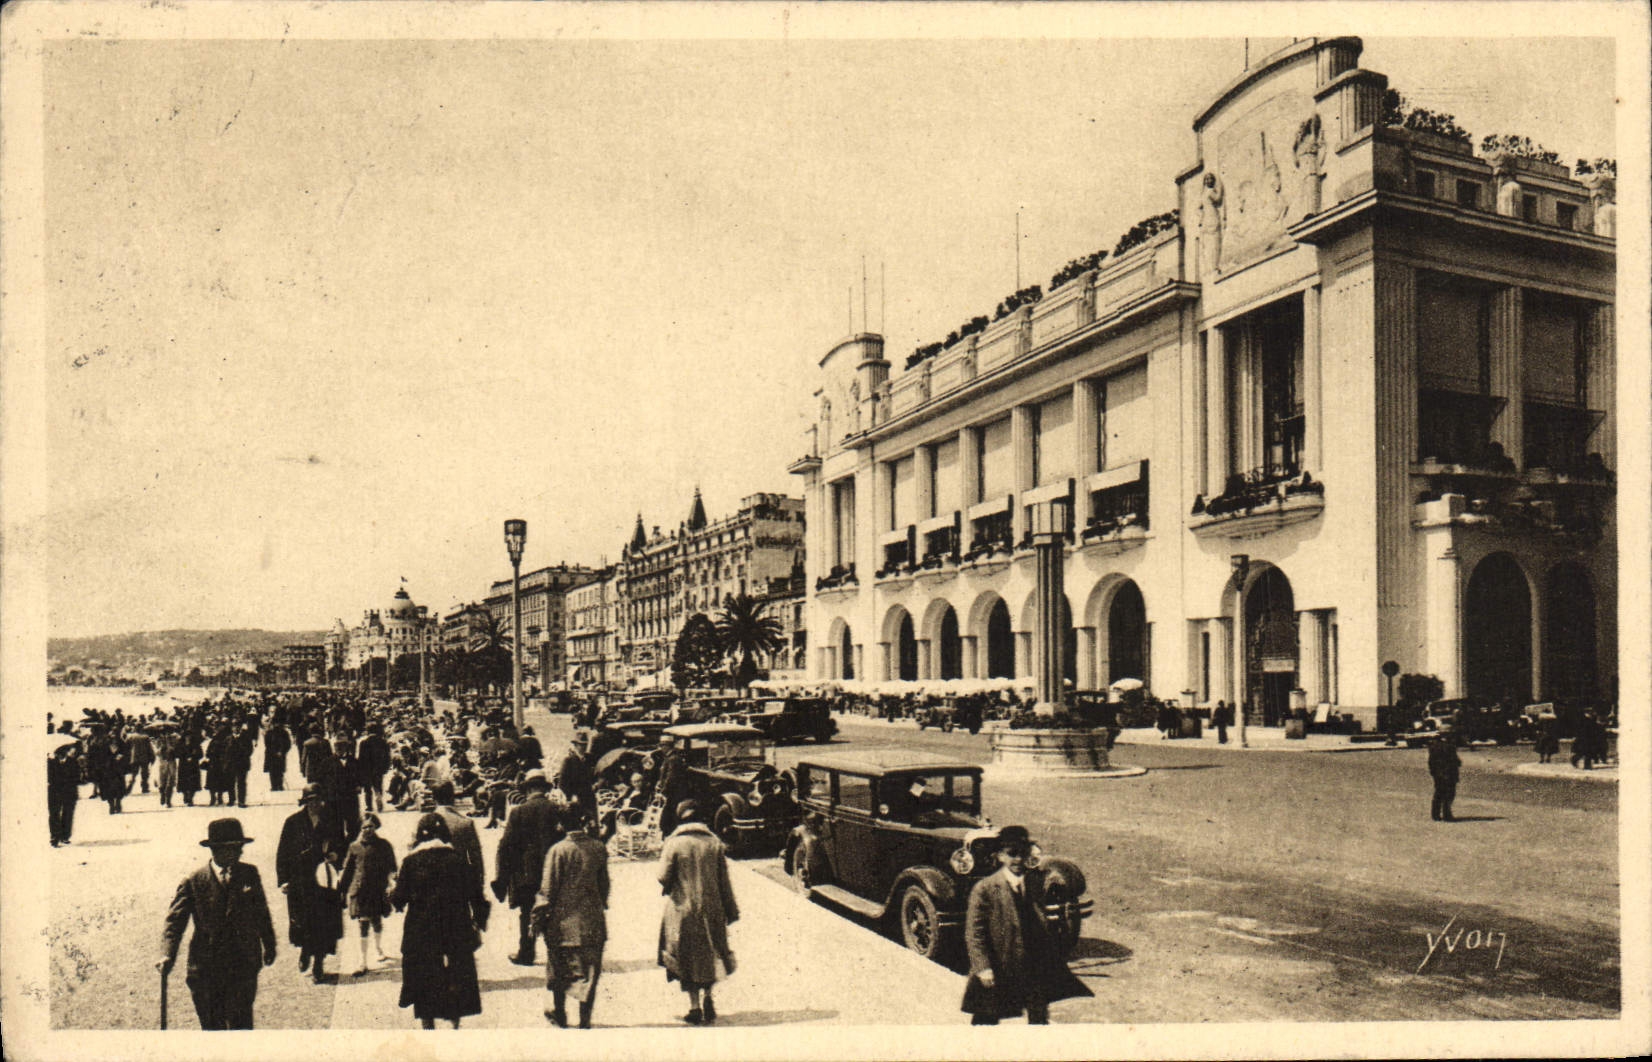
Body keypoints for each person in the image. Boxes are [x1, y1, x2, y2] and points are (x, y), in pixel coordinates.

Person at [960, 825, 1091, 1025]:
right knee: (986, 1018)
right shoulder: (985, 888)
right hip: (1000, 964)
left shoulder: (1034, 883)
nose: (1018, 860)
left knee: (1038, 1017)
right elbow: (974, 933)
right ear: (1000, 856)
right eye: (1012, 854)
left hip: (1033, 965)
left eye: (1022, 853)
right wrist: (983, 968)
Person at [157, 818, 278, 1030]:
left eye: (240, 847)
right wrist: (167, 953)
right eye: (235, 848)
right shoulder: (194, 881)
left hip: (243, 966)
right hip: (206, 969)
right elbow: (175, 922)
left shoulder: (249, 874)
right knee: (213, 1029)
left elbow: (261, 912)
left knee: (241, 1027)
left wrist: (269, 945)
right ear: (217, 850)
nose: (240, 853)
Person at [389, 813, 484, 1029]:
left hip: (421, 933)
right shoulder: (458, 860)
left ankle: (428, 1026)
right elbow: (477, 896)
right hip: (456, 930)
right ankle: (454, 1024)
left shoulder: (411, 861)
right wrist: (478, 921)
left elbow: (398, 899)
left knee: (424, 979)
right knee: (456, 976)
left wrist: (392, 894)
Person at [657, 799, 739, 1025]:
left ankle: (694, 1007)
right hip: (712, 908)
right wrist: (731, 910)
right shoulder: (714, 843)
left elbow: (663, 876)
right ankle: (709, 997)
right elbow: (724, 881)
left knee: (687, 956)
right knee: (710, 954)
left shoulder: (674, 843)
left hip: (683, 909)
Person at [532, 809, 610, 1028]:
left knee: (559, 969)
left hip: (562, 923)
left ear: (561, 826)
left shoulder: (557, 851)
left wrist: (538, 918)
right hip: (592, 920)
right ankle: (585, 1020)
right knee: (590, 972)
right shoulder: (598, 848)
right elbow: (604, 887)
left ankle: (560, 1013)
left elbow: (547, 890)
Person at [492, 769, 566, 966]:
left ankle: (527, 953)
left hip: (526, 873)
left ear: (529, 788)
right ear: (543, 788)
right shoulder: (556, 810)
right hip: (553, 871)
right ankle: (557, 954)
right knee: (555, 911)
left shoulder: (519, 811)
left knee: (527, 914)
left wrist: (502, 878)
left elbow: (506, 846)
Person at [276, 784, 345, 982]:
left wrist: (336, 856)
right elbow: (283, 853)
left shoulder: (332, 820)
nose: (315, 804)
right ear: (305, 802)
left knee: (324, 923)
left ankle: (319, 964)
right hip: (301, 880)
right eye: (310, 800)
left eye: (317, 800)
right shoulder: (293, 822)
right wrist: (283, 880)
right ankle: (306, 951)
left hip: (324, 880)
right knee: (304, 921)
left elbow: (342, 844)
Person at [340, 812, 399, 975]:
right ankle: (363, 961)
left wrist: (393, 880)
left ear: (376, 827)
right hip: (360, 891)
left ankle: (379, 948)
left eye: (371, 827)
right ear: (360, 829)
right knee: (363, 924)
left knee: (377, 922)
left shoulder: (384, 845)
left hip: (377, 890)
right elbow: (347, 870)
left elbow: (393, 866)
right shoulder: (354, 847)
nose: (367, 830)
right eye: (364, 827)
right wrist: (342, 890)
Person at [48, 739, 82, 847]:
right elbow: (49, 777)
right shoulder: (50, 763)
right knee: (54, 814)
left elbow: (77, 777)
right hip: (55, 791)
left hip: (69, 791)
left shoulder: (73, 762)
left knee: (68, 814)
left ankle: (65, 835)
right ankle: (54, 836)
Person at [357, 725, 391, 813]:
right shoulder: (383, 742)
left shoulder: (364, 743)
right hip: (379, 768)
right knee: (378, 785)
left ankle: (369, 806)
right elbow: (387, 757)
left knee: (367, 788)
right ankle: (378, 796)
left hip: (367, 769)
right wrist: (386, 767)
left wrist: (360, 770)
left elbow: (361, 758)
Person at [1428, 733, 1460, 822]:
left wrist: (1434, 772)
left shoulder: (1433, 746)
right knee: (1449, 795)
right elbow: (1455, 761)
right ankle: (1447, 814)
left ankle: (1435, 814)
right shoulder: (1450, 746)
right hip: (1449, 774)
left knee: (1438, 794)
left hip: (1438, 774)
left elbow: (1431, 762)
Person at [263, 719, 292, 793]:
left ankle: (279, 784)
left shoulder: (284, 733)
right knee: (272, 770)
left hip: (280, 754)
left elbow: (288, 744)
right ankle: (274, 785)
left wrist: (282, 751)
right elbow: (267, 744)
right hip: (271, 754)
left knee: (280, 770)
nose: (276, 725)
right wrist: (275, 752)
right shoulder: (269, 733)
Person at [126, 727, 156, 795]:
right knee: (144, 774)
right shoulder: (145, 737)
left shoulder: (131, 737)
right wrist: (152, 757)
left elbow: (126, 747)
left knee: (133, 774)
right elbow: (149, 748)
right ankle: (144, 788)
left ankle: (129, 788)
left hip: (134, 758)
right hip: (144, 758)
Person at [177, 732, 203, 807]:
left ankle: (190, 798)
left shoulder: (196, 745)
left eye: (189, 736)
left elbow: (200, 754)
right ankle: (185, 795)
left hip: (193, 766)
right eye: (186, 736)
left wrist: (194, 756)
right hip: (183, 766)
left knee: (193, 783)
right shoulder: (181, 745)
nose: (188, 738)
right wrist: (184, 756)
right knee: (183, 782)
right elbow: (177, 753)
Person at [155, 729, 179, 807]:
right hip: (162, 762)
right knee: (162, 782)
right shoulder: (158, 740)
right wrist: (161, 748)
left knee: (170, 781)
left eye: (168, 733)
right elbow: (156, 752)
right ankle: (162, 795)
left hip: (171, 762)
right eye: (165, 733)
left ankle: (168, 800)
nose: (167, 734)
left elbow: (176, 751)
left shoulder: (175, 740)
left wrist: (170, 746)